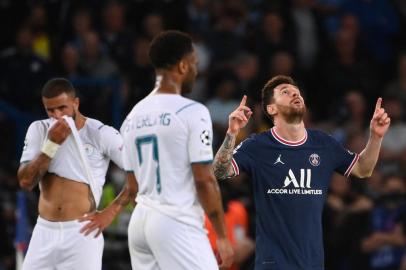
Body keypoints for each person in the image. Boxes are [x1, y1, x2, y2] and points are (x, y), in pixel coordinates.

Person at [212, 75, 391, 270]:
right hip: (273, 264)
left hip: (312, 264)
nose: (294, 94)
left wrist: (375, 137)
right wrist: (231, 133)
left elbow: (363, 170)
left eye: (296, 92)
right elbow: (219, 172)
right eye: (285, 92)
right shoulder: (257, 146)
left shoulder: (324, 143)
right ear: (271, 109)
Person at [120, 30, 234, 270]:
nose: (196, 70)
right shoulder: (193, 112)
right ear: (183, 66)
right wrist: (222, 235)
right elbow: (204, 180)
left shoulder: (131, 117)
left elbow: (132, 187)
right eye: (194, 64)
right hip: (175, 221)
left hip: (139, 223)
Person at [17, 78, 137, 270]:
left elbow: (139, 173)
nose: (56, 115)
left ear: (76, 103)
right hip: (44, 232)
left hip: (82, 232)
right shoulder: (39, 130)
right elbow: (25, 181)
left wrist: (110, 212)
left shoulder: (100, 133)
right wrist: (51, 144)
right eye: (50, 110)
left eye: (62, 108)